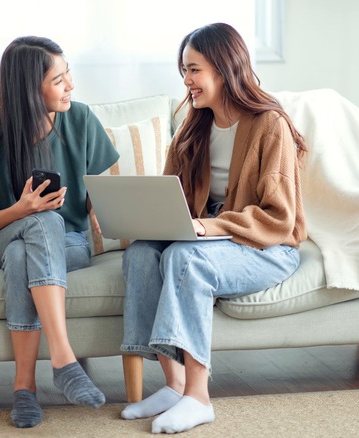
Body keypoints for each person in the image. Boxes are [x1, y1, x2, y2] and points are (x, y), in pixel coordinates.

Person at [119, 23, 307, 434]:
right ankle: (174, 385)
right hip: (210, 236)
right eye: (184, 70)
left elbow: (280, 217)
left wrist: (207, 226)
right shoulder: (193, 126)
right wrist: (152, 220)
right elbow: (171, 198)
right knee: (141, 254)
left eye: (194, 70)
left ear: (223, 69)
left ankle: (198, 397)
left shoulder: (269, 124)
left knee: (186, 258)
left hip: (266, 246)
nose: (186, 80)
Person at [0, 36, 120, 428]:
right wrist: (22, 209)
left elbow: (99, 196)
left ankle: (24, 389)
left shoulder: (81, 119)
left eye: (68, 75)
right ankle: (63, 358)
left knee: (24, 253)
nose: (70, 85)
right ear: (30, 88)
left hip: (69, 244)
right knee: (40, 222)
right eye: (58, 80)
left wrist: (109, 209)